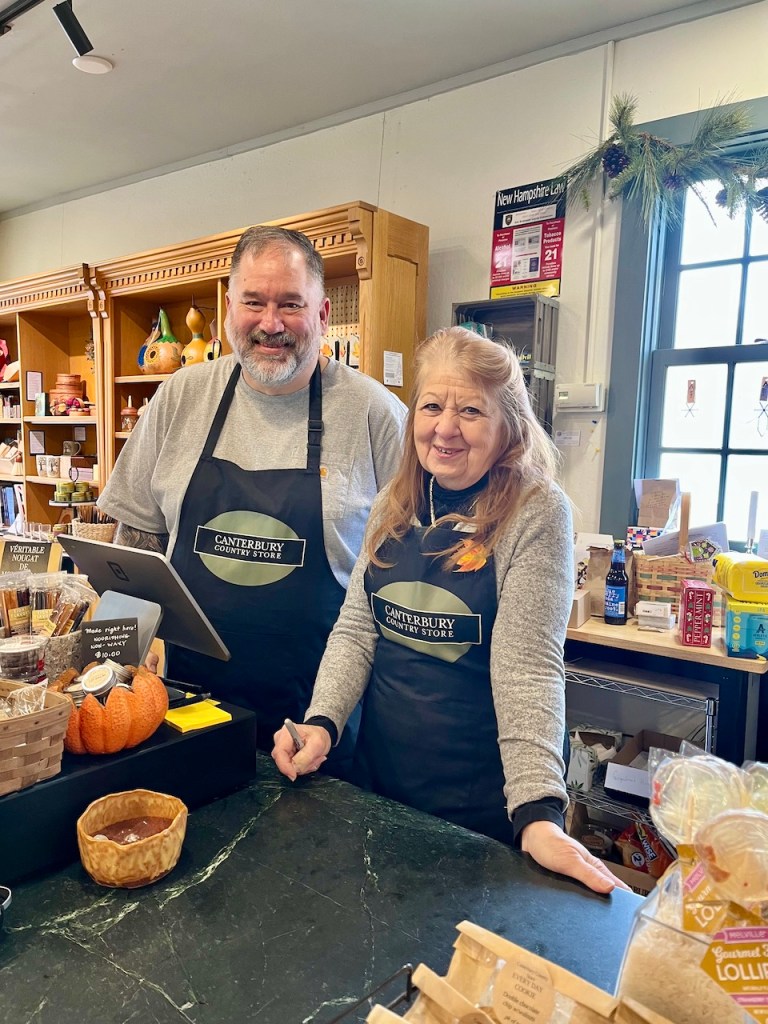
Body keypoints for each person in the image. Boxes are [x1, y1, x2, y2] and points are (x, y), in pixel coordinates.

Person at [272, 326, 627, 893]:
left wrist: (537, 811)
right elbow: (358, 629)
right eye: (432, 406)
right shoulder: (399, 499)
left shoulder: (536, 513)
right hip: (381, 784)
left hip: (481, 802)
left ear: (508, 424)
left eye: (470, 411)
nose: (445, 428)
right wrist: (322, 722)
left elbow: (528, 669)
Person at [98, 225, 407, 766]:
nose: (271, 323)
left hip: (318, 724)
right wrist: (119, 664)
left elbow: (406, 568)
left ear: (322, 313)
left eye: (291, 304)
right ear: (227, 308)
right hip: (186, 710)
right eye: (254, 302)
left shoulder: (373, 414)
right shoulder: (179, 398)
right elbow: (138, 541)